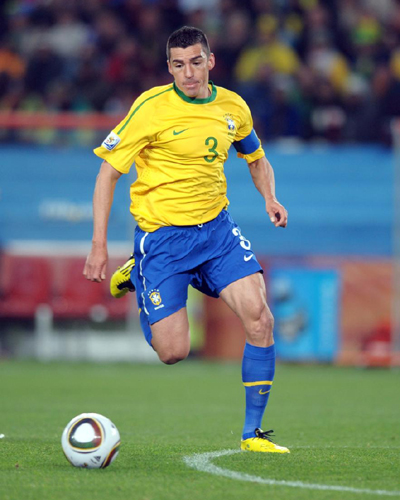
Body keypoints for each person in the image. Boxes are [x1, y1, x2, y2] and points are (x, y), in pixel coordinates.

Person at [83, 26, 289, 454]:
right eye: (179, 65)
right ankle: (139, 274)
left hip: (216, 233)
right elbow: (107, 173)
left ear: (210, 61)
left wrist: (270, 198)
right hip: (163, 240)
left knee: (260, 318)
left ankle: (252, 434)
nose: (189, 73)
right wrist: (99, 244)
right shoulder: (150, 108)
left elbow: (256, 157)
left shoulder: (233, 106)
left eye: (196, 62)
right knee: (173, 352)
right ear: (169, 68)